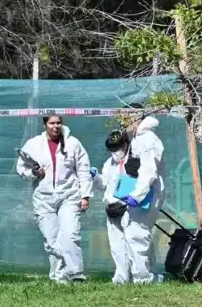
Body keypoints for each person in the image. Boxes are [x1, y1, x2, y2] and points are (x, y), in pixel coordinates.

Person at [17, 115, 93, 283]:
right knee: (51, 239)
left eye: (58, 123)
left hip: (69, 195)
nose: (55, 126)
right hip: (44, 198)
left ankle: (76, 274)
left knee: (70, 234)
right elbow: (21, 168)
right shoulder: (33, 144)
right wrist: (34, 173)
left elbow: (83, 170)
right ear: (45, 124)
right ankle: (59, 277)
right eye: (52, 123)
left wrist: (85, 195)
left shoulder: (73, 143)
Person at [91, 130, 155, 284]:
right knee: (117, 246)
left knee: (136, 243)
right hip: (113, 207)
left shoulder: (135, 160)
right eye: (112, 149)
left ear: (125, 144)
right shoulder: (110, 163)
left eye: (117, 148)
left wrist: (136, 197)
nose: (115, 152)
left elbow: (146, 179)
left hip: (131, 207)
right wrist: (95, 177)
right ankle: (122, 278)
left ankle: (143, 278)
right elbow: (105, 183)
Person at [121, 108, 166, 283]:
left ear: (138, 118)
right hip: (143, 192)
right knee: (138, 233)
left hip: (148, 192)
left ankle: (144, 279)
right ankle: (151, 275)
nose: (123, 122)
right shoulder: (138, 138)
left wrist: (137, 195)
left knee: (137, 234)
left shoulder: (147, 139)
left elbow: (148, 171)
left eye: (127, 118)